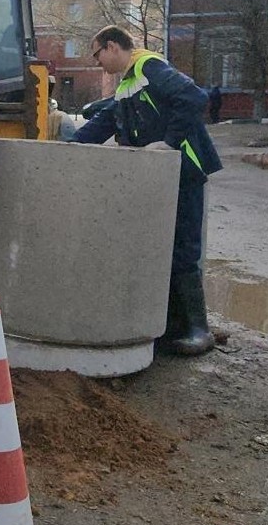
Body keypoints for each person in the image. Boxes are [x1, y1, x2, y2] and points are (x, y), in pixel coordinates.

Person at [73, 25, 222, 356]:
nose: (98, 63)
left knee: (183, 246)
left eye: (97, 54)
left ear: (112, 47)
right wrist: (65, 147)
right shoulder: (128, 83)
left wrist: (169, 143)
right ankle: (173, 326)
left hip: (184, 172)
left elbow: (195, 98)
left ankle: (199, 329)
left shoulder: (148, 67)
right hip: (160, 179)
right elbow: (106, 122)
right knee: (163, 248)